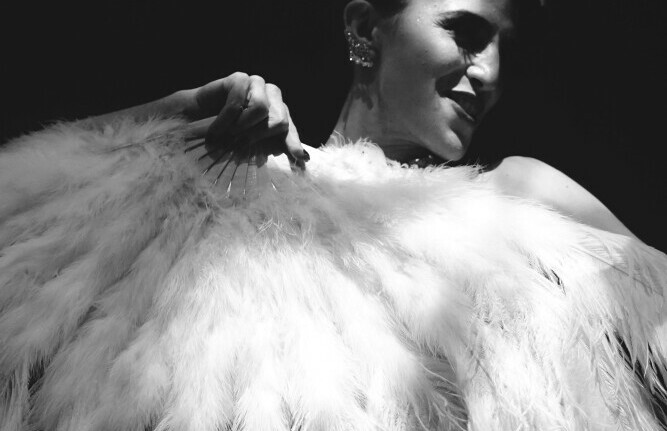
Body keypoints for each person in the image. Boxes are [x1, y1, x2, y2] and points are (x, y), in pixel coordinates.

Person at [1, 0, 666, 430]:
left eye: (501, 48)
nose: (488, 72)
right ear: (362, 30)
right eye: (464, 32)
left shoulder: (521, 191)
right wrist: (178, 113)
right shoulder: (231, 190)